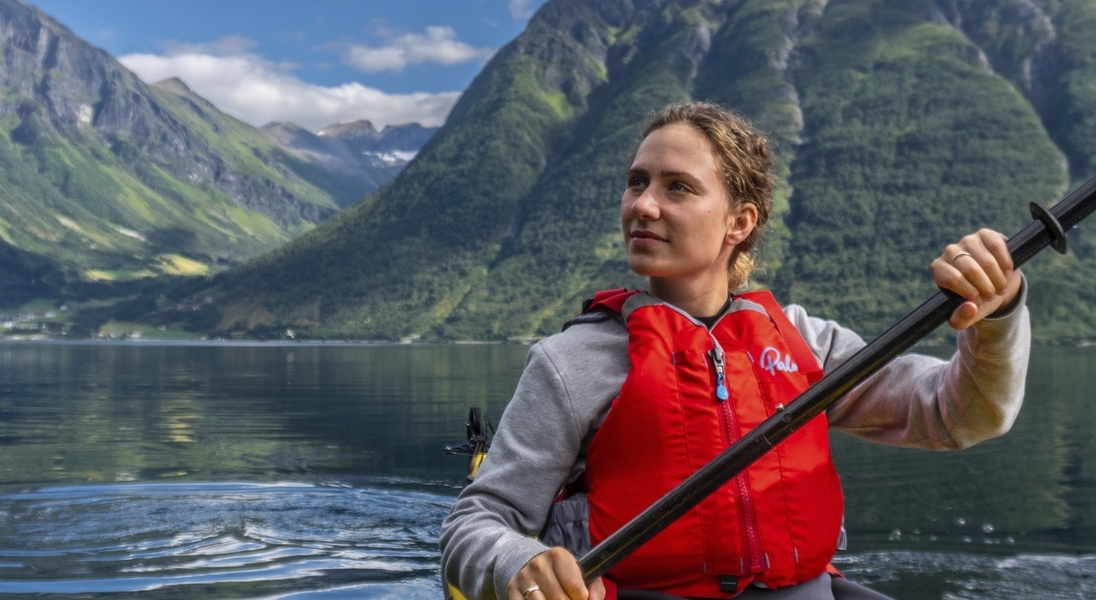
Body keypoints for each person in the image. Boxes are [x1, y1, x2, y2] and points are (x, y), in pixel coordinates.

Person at [439, 102, 1030, 600]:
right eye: (636, 182)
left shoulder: (807, 344)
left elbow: (961, 415)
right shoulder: (572, 362)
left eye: (678, 188)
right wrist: (516, 560)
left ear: (739, 222)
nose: (643, 205)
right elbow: (474, 522)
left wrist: (997, 315)